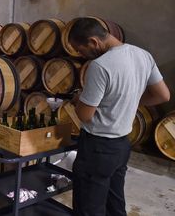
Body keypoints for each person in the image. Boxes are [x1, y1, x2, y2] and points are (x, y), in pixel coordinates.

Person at [69, 17, 170, 216]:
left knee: (89, 207)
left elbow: (85, 115)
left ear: (94, 42)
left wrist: (78, 99)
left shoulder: (100, 66)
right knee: (114, 204)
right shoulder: (143, 55)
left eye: (81, 50)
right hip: (123, 145)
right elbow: (163, 95)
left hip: (97, 147)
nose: (81, 55)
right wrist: (130, 100)